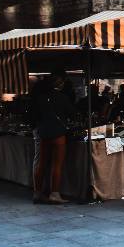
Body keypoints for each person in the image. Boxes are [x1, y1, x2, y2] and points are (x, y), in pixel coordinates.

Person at [30, 73, 75, 204]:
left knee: (42, 164)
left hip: (44, 133)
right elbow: (72, 113)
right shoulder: (62, 97)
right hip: (58, 134)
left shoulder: (41, 98)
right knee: (57, 165)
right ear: (59, 84)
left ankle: (37, 193)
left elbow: (36, 115)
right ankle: (54, 194)